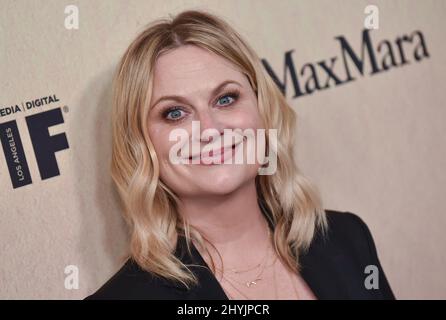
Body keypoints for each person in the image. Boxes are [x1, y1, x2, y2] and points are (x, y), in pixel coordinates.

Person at [85, 9, 395, 300]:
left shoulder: (346, 239)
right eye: (175, 113)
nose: (210, 129)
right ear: (141, 144)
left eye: (226, 98)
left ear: (263, 110)